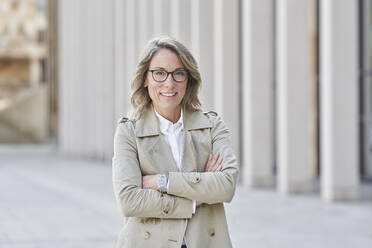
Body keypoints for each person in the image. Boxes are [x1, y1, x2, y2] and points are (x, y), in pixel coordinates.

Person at [112, 36, 239, 248]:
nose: (169, 83)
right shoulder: (129, 132)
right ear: (145, 78)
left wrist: (162, 181)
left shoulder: (212, 125)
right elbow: (129, 200)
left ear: (188, 79)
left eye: (178, 73)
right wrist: (196, 197)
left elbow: (226, 186)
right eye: (159, 73)